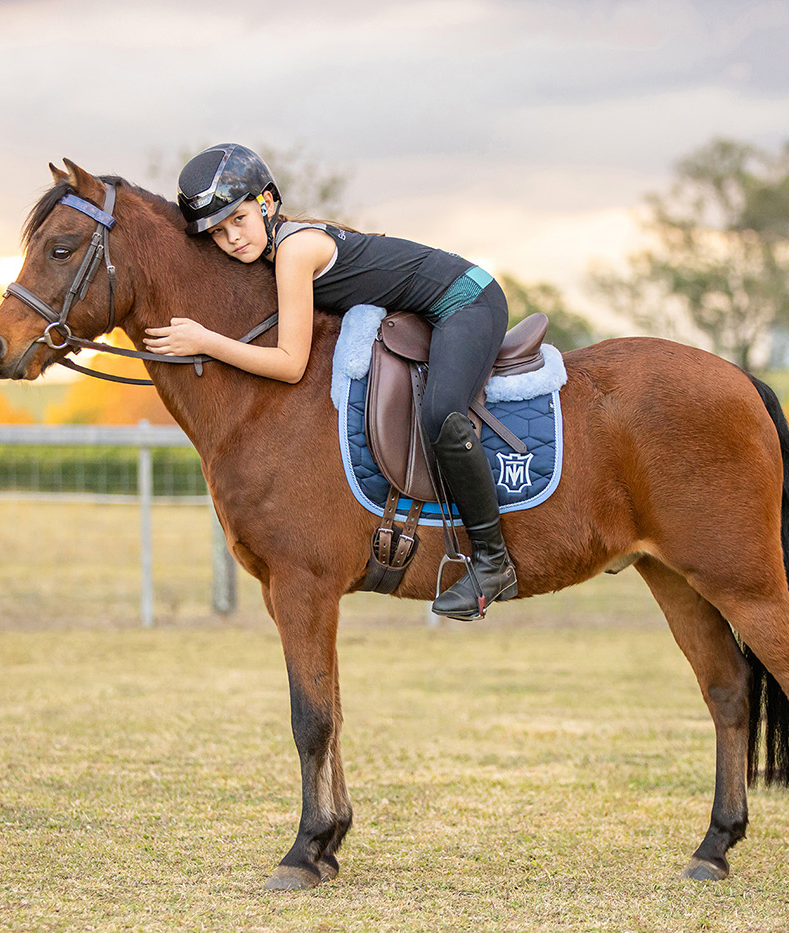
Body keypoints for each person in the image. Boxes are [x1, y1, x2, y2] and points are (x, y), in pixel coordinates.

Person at [143, 143, 516, 620]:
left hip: (467, 300)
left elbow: (290, 363)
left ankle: (492, 561)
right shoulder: (271, 251)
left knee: (442, 413)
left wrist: (204, 340)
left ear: (267, 204)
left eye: (238, 219)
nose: (232, 238)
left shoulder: (294, 251)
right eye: (217, 233)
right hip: (430, 309)